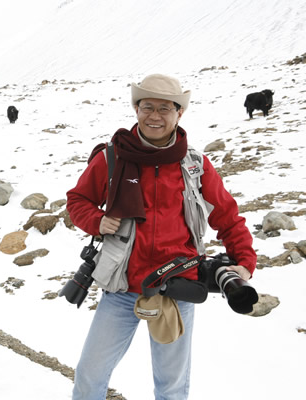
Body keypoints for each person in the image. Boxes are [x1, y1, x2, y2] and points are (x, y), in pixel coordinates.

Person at [66, 73, 257, 400]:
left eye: (165, 108)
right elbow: (77, 200)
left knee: (171, 386)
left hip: (178, 287)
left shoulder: (195, 164)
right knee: (89, 375)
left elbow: (227, 216)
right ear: (136, 109)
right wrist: (97, 220)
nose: (155, 116)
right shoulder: (112, 157)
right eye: (147, 107)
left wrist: (244, 261)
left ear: (179, 113)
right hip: (122, 287)